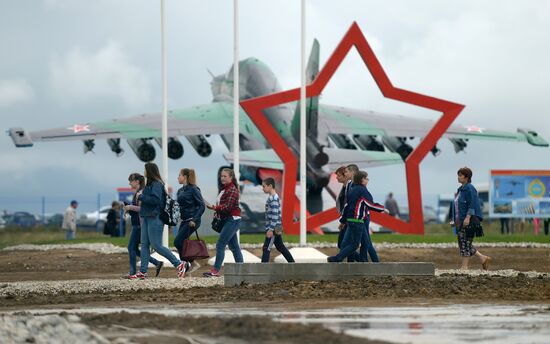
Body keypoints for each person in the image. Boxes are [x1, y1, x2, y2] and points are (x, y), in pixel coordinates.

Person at [138, 162, 190, 279]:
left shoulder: (157, 184)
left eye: (145, 169)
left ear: (149, 171)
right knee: (144, 245)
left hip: (155, 218)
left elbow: (155, 200)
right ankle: (143, 271)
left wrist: (141, 197)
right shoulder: (149, 185)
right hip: (146, 217)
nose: (144, 172)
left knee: (156, 245)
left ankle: (179, 264)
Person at [327, 171, 388, 262]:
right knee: (355, 245)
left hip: (350, 220)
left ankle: (363, 261)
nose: (368, 180)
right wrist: (383, 209)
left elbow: (347, 206)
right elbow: (370, 204)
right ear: (362, 179)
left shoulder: (352, 190)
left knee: (355, 243)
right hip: (358, 220)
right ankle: (337, 258)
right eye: (367, 178)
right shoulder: (362, 190)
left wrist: (343, 221)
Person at [204, 168, 244, 277]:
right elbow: (224, 207)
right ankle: (242, 271)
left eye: (225, 176)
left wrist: (214, 208)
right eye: (221, 176)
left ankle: (215, 270)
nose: (222, 178)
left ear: (231, 177)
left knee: (220, 244)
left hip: (233, 220)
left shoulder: (232, 190)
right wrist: (217, 212)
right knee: (234, 247)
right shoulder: (224, 189)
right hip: (229, 219)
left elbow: (228, 207)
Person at [123, 173, 163, 279]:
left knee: (131, 248)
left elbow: (142, 209)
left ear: (137, 181)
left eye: (131, 181)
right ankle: (156, 262)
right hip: (137, 223)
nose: (129, 183)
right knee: (135, 249)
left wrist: (130, 207)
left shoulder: (141, 192)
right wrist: (129, 208)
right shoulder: (138, 192)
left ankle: (132, 272)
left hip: (140, 225)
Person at [451, 167, 491, 270]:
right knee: (463, 242)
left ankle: (464, 267)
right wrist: (454, 221)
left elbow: (472, 204)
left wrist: (468, 217)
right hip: (460, 221)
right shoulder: (460, 190)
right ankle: (483, 258)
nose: (458, 177)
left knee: (465, 242)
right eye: (458, 175)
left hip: (468, 221)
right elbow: (456, 207)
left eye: (460, 175)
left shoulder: (470, 188)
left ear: (467, 177)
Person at [174, 168, 205, 273]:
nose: (178, 177)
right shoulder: (180, 190)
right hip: (184, 220)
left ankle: (191, 263)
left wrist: (195, 219)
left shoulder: (194, 189)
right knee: (180, 243)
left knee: (177, 241)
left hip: (192, 221)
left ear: (185, 177)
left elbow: (201, 206)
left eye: (179, 175)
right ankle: (187, 267)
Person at [261, 177, 295, 263]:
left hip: (274, 228)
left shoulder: (273, 199)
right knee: (280, 246)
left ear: (270, 186)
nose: (263, 189)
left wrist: (270, 229)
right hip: (277, 227)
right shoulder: (273, 197)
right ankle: (292, 263)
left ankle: (262, 269)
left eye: (264, 186)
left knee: (266, 248)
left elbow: (275, 215)